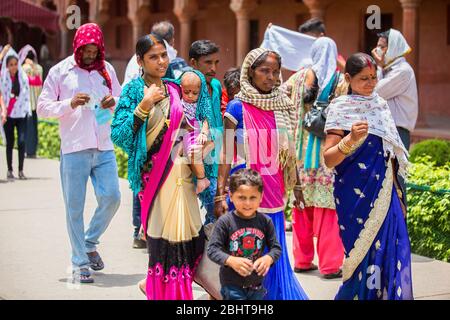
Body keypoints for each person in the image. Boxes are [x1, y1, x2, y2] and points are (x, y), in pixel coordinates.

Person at [111, 34, 205, 300]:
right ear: (140, 61)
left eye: (164, 55)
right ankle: (159, 292)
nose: (161, 61)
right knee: (162, 240)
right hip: (155, 176)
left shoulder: (176, 88)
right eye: (154, 56)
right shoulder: (133, 90)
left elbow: (193, 124)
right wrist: (143, 106)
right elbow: (119, 135)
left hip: (183, 176)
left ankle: (179, 294)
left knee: (186, 239)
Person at [215, 47, 309, 300]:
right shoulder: (237, 108)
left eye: (275, 72)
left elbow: (288, 154)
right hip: (244, 193)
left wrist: (297, 187)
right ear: (250, 72)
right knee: (245, 253)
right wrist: (218, 195)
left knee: (272, 250)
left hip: (273, 191)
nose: (271, 77)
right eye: (264, 71)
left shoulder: (282, 106)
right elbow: (225, 153)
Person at [324, 52, 413, 300]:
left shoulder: (380, 105)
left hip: (385, 190)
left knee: (390, 247)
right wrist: (350, 140)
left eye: (374, 77)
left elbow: (391, 153)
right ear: (348, 78)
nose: (371, 83)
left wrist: (398, 191)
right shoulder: (340, 107)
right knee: (361, 252)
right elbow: (329, 158)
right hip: (353, 194)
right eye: (364, 78)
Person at [37, 23, 122, 284]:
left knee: (112, 197)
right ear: (77, 47)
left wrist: (112, 102)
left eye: (95, 50)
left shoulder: (106, 69)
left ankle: (88, 241)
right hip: (74, 148)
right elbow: (42, 107)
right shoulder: (60, 71)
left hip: (103, 146)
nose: (90, 55)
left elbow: (118, 99)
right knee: (74, 208)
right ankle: (80, 262)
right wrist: (69, 103)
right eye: (86, 50)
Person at [285, 37, 346, 279]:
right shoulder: (340, 81)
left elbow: (280, 93)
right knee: (327, 210)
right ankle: (330, 266)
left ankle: (301, 260)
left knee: (301, 207)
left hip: (300, 157)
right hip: (326, 159)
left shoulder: (299, 77)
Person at [207, 169, 282, 300]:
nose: (247, 203)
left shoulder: (265, 221)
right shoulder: (225, 222)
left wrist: (268, 258)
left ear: (261, 196)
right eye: (241, 197)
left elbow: (276, 248)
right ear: (231, 195)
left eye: (252, 197)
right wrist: (230, 260)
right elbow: (212, 250)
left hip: (257, 286)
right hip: (231, 286)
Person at [372, 29, 418, 203]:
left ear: (393, 48)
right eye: (378, 46)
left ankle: (400, 227)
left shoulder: (403, 71)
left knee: (397, 179)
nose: (378, 51)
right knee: (384, 179)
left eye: (382, 47)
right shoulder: (389, 69)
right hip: (387, 130)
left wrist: (377, 66)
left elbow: (376, 91)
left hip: (397, 131)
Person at [189, 40, 224, 226]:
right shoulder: (187, 87)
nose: (213, 68)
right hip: (196, 155)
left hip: (217, 152)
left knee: (217, 205)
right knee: (212, 204)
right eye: (208, 63)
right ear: (193, 63)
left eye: (216, 63)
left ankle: (208, 248)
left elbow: (217, 116)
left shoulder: (216, 85)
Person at [1, 48, 30, 180]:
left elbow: (26, 94)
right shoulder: (4, 78)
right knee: (10, 142)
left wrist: (27, 109)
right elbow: (2, 94)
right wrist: (4, 111)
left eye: (15, 64)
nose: (13, 67)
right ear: (7, 66)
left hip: (21, 113)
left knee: (22, 141)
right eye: (11, 64)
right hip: (9, 115)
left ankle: (21, 170)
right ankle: (9, 169)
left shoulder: (23, 77)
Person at [19, 45, 43, 158]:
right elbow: (40, 84)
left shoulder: (22, 68)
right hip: (36, 104)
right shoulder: (39, 68)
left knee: (25, 128)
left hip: (25, 104)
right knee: (34, 128)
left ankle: (26, 151)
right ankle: (32, 151)